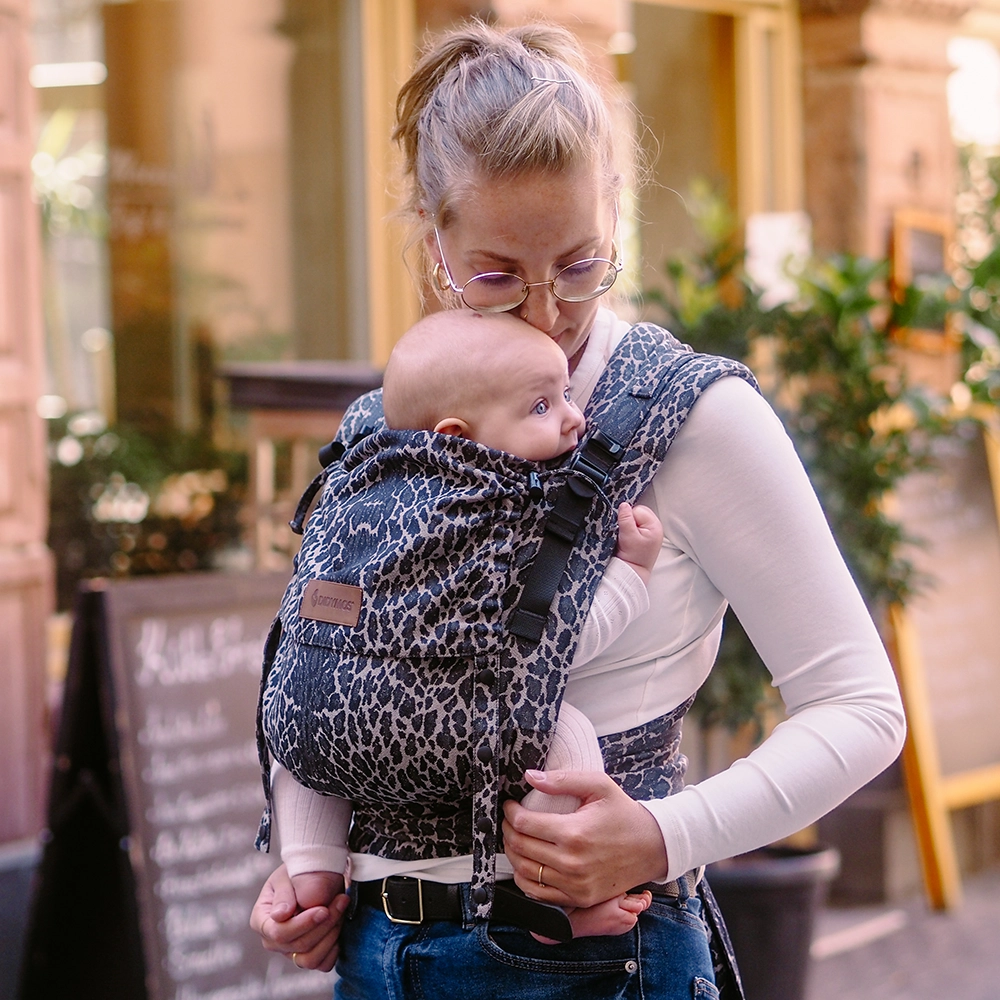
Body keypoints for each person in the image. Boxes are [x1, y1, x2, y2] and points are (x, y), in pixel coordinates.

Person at [251, 20, 906, 998]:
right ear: (432, 240)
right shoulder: (384, 421)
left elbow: (861, 708)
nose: (546, 311)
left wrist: (658, 834)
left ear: (615, 210)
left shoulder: (697, 417)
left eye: (579, 264)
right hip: (376, 956)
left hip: (596, 962)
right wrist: (312, 868)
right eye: (495, 275)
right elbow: (338, 666)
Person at [268, 307, 665, 944]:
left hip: (329, 711)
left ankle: (309, 873)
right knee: (566, 741)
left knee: (300, 731)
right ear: (457, 437)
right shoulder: (498, 512)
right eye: (542, 406)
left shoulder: (353, 485)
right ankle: (554, 896)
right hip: (452, 719)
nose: (575, 418)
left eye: (567, 393)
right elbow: (552, 646)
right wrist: (632, 572)